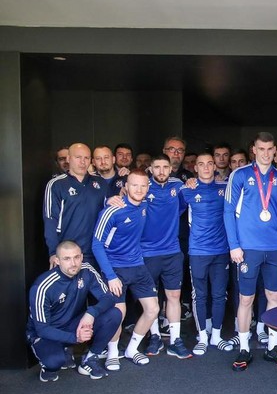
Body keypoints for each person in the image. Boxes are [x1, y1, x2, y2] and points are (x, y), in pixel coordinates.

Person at [225, 132, 277, 371]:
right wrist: (234, 245)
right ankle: (244, 348)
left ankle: (273, 347)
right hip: (248, 248)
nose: (266, 153)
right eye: (261, 149)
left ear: (275, 150)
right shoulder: (240, 175)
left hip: (274, 248)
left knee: (274, 296)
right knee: (246, 298)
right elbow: (228, 211)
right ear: (254, 149)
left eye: (270, 149)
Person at [91, 170, 161, 371]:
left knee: (153, 309)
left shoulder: (144, 206)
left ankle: (132, 349)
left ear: (148, 188)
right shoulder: (113, 210)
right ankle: (113, 353)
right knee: (118, 313)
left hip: (137, 266)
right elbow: (97, 244)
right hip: (115, 268)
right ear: (126, 187)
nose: (139, 189)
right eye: (134, 185)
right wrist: (111, 276)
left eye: (143, 185)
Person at [27, 240, 121, 381]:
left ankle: (90, 359)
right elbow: (42, 329)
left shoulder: (86, 269)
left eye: (76, 257)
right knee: (54, 363)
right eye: (67, 259)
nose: (73, 263)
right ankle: (56, 356)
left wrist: (91, 313)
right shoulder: (42, 286)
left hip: (72, 325)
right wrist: (75, 338)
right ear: (57, 261)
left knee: (114, 313)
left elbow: (108, 298)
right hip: (47, 333)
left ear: (82, 256)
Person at [139, 155, 192, 359]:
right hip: (147, 252)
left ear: (171, 168)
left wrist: (192, 183)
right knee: (151, 298)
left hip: (172, 251)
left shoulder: (178, 186)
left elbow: (183, 205)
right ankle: (154, 337)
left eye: (165, 167)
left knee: (174, 296)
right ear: (150, 169)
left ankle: (175, 340)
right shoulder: (143, 187)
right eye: (157, 167)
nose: (161, 171)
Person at [181, 153, 232, 354]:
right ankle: (202, 337)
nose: (206, 167)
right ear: (195, 168)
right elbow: (166, 208)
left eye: (209, 163)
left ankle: (216, 336)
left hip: (221, 250)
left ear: (215, 166)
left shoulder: (225, 188)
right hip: (198, 251)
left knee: (219, 295)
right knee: (199, 296)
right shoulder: (187, 190)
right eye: (201, 164)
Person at [43, 143, 109, 268]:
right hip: (69, 254)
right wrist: (53, 252)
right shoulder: (56, 184)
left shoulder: (100, 183)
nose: (82, 162)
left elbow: (110, 216)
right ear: (68, 158)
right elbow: (50, 220)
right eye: (78, 157)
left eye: (86, 158)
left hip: (97, 252)